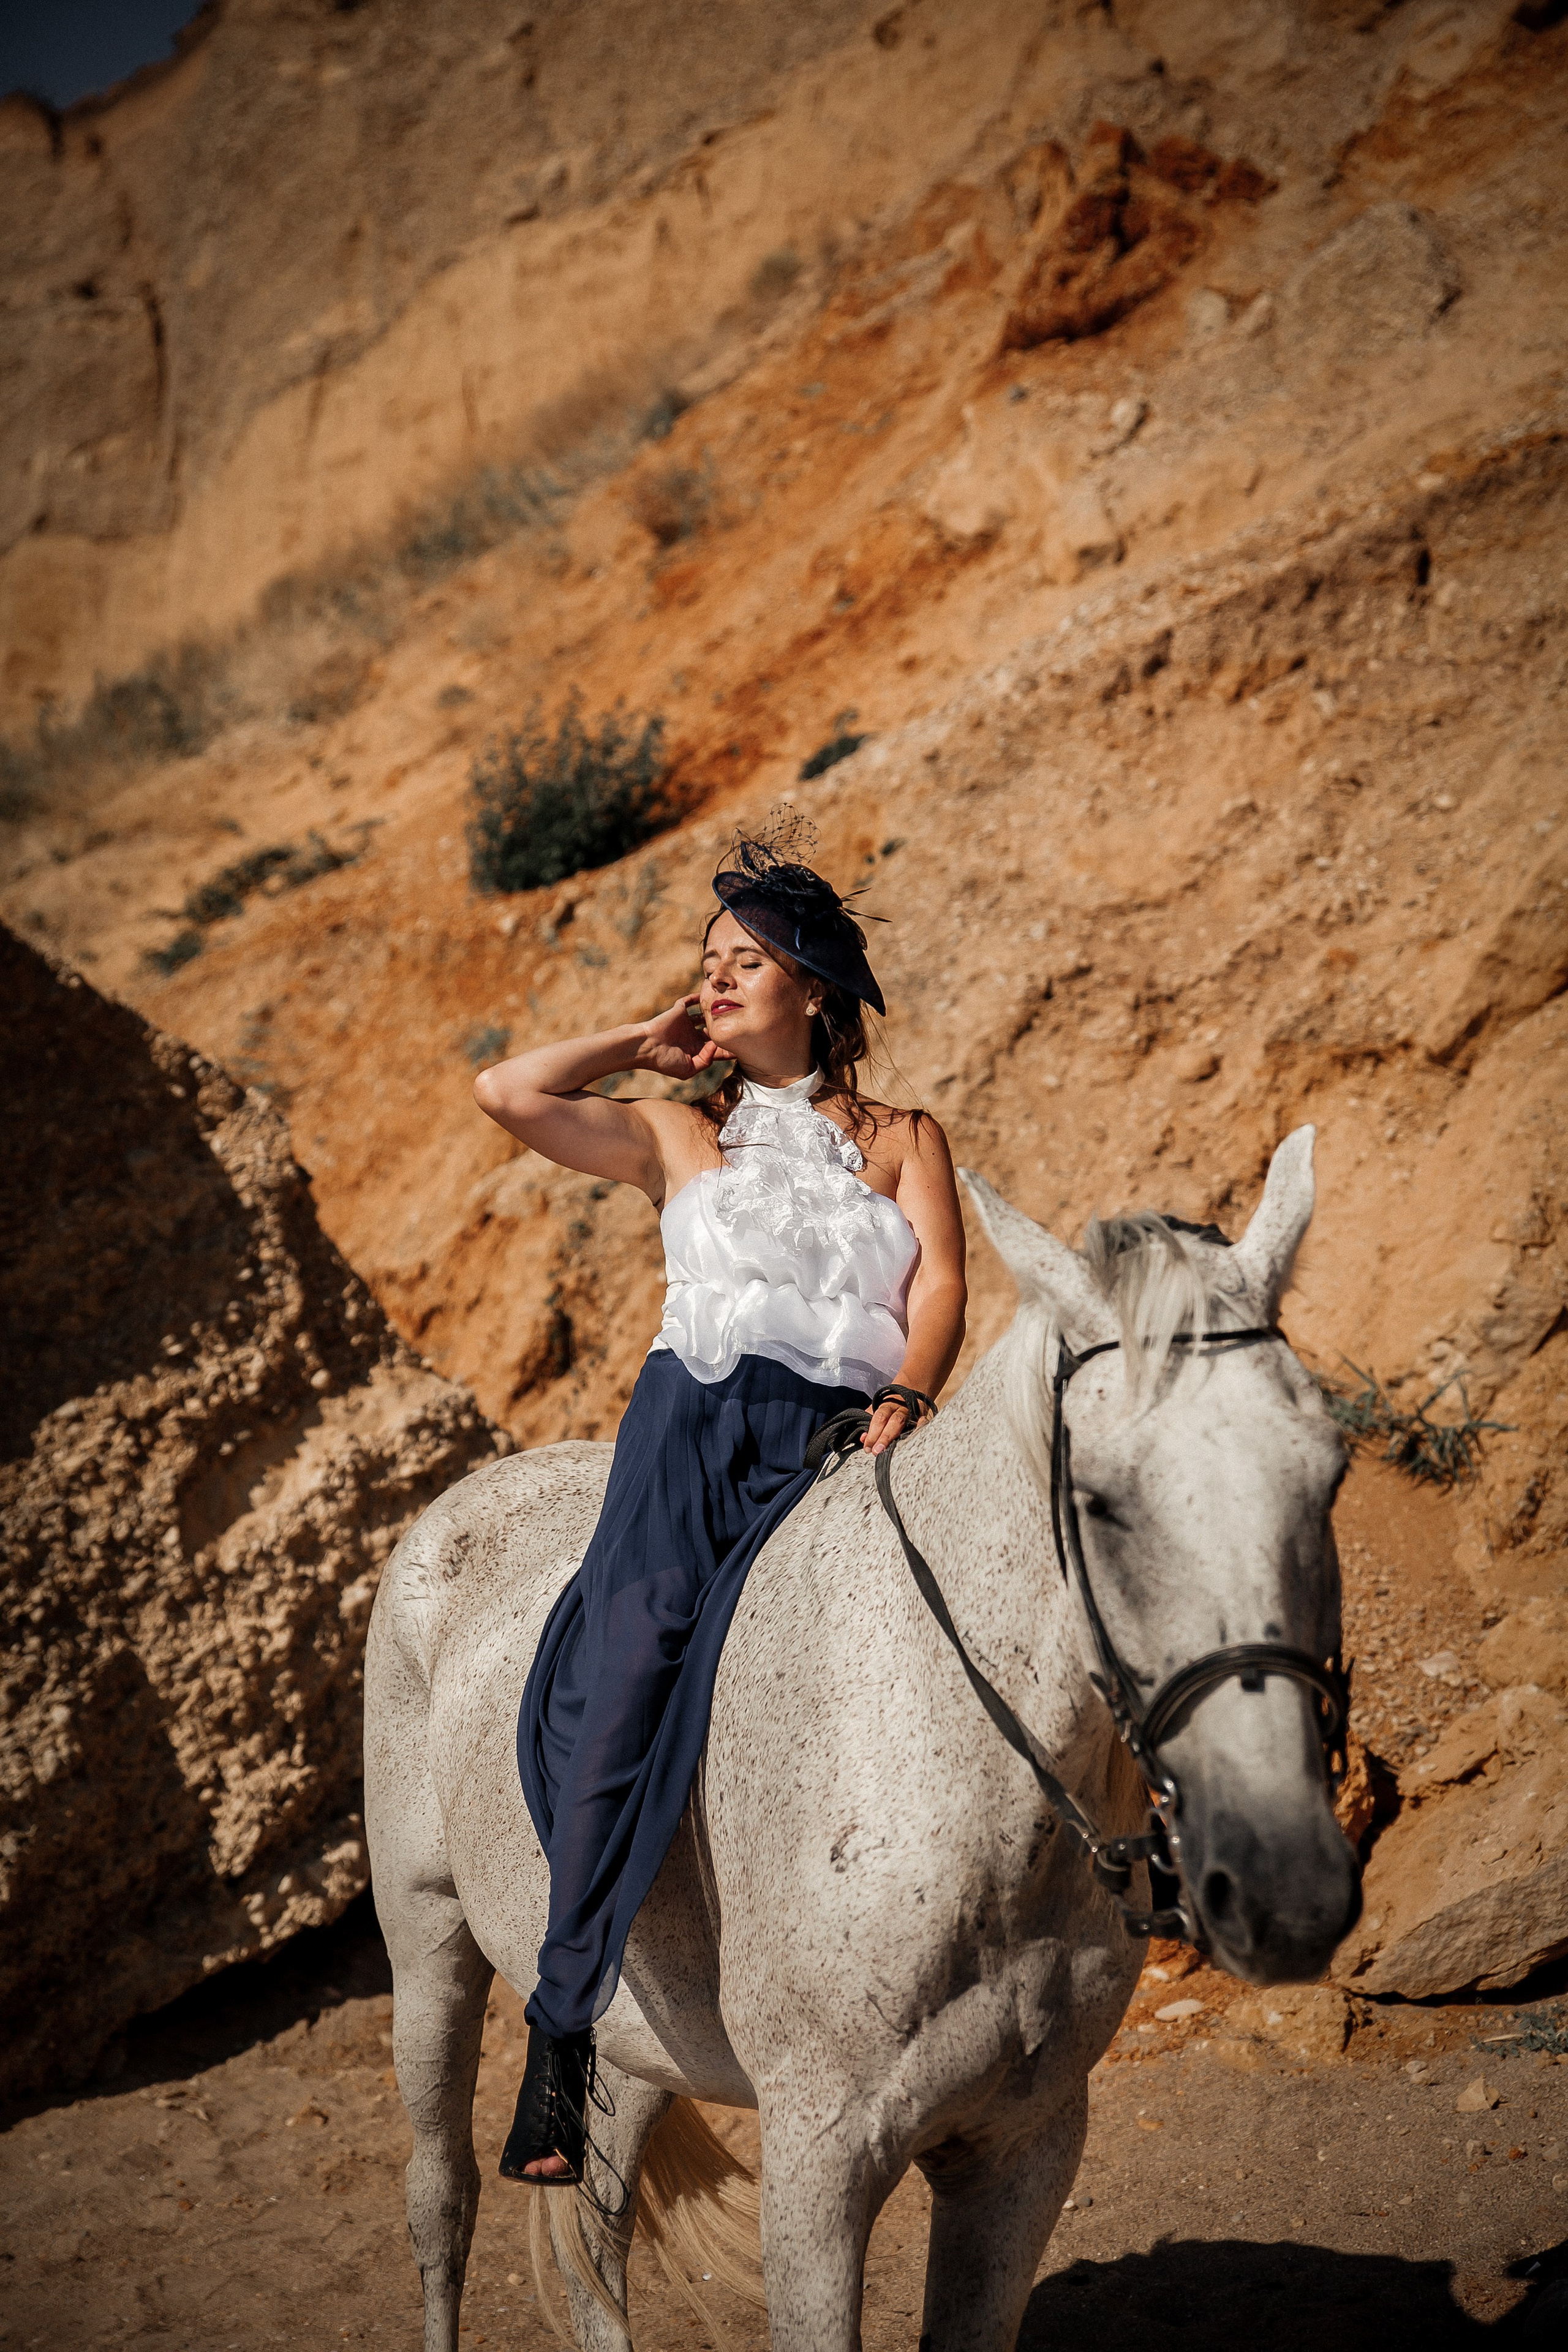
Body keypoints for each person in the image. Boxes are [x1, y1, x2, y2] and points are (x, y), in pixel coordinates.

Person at [471, 824, 967, 2182]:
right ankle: (561, 2039)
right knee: (624, 1679)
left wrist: (910, 1398)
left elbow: (933, 1291)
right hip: (689, 1434)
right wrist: (639, 1040)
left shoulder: (904, 1136)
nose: (720, 977)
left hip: (841, 1441)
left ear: (811, 985)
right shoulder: (677, 1135)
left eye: (745, 959)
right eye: (710, 963)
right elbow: (506, 1092)